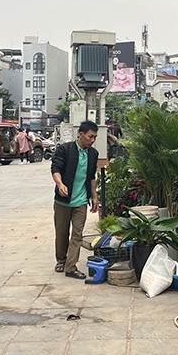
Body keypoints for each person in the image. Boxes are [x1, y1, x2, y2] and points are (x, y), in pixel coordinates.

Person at [50, 120, 99, 279]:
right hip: (63, 201)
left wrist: (94, 196)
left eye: (95, 138)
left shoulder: (93, 154)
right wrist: (60, 184)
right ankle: (61, 260)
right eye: (90, 137)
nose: (92, 140)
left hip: (81, 201)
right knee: (62, 232)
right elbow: (56, 168)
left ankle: (71, 267)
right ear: (81, 134)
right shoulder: (65, 149)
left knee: (77, 234)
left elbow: (92, 177)